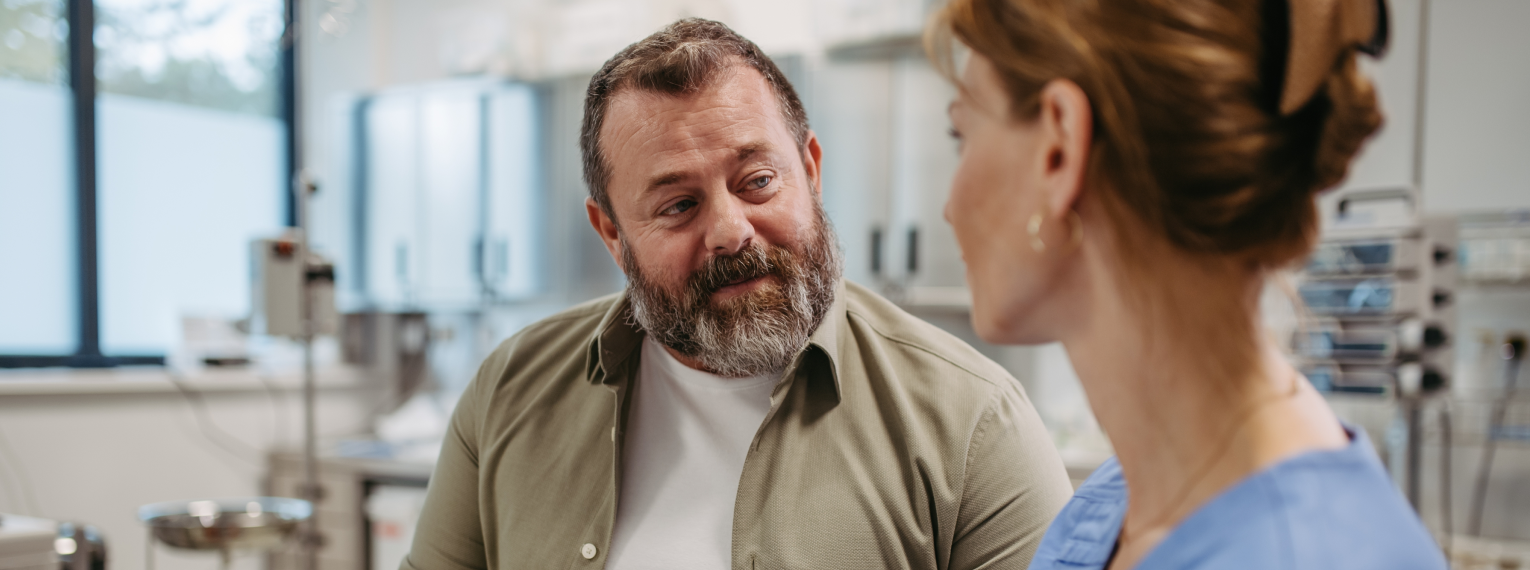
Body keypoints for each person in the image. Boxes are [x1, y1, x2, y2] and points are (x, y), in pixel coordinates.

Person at [403, 19, 1073, 570]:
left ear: (809, 169)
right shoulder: (509, 392)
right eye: (678, 205)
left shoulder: (974, 427)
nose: (730, 231)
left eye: (756, 181)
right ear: (610, 232)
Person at [928, 0, 1447, 568]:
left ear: (1060, 147)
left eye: (963, 134)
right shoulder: (1109, 510)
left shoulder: (1307, 553)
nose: (950, 206)